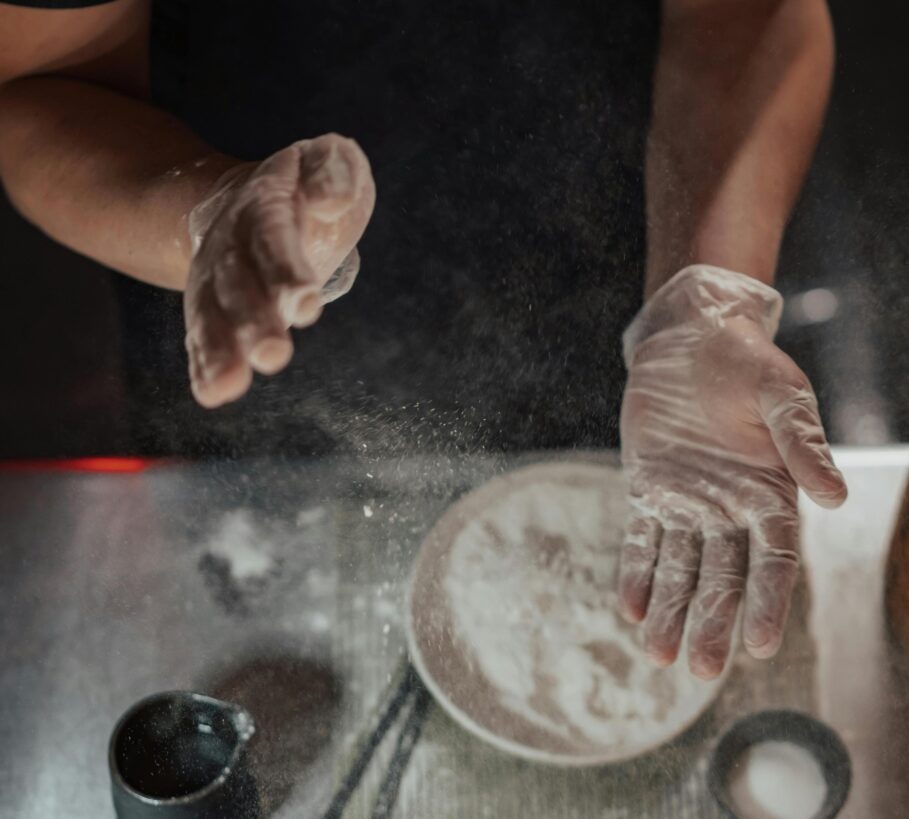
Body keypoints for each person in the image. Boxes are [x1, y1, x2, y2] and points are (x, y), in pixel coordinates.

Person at [0, 0, 846, 679]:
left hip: (634, 309)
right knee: (262, 635)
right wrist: (209, 214)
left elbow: (737, 20)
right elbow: (50, 87)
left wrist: (704, 294)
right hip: (251, 308)